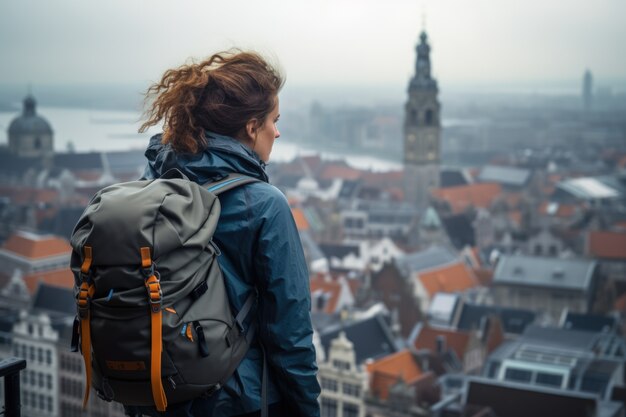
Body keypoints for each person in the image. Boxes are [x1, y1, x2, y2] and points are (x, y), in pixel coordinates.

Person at [127, 50, 321, 417]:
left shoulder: (151, 186)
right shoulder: (265, 205)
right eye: (274, 120)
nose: (277, 132)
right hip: (238, 401)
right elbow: (290, 335)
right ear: (251, 127)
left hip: (159, 395)